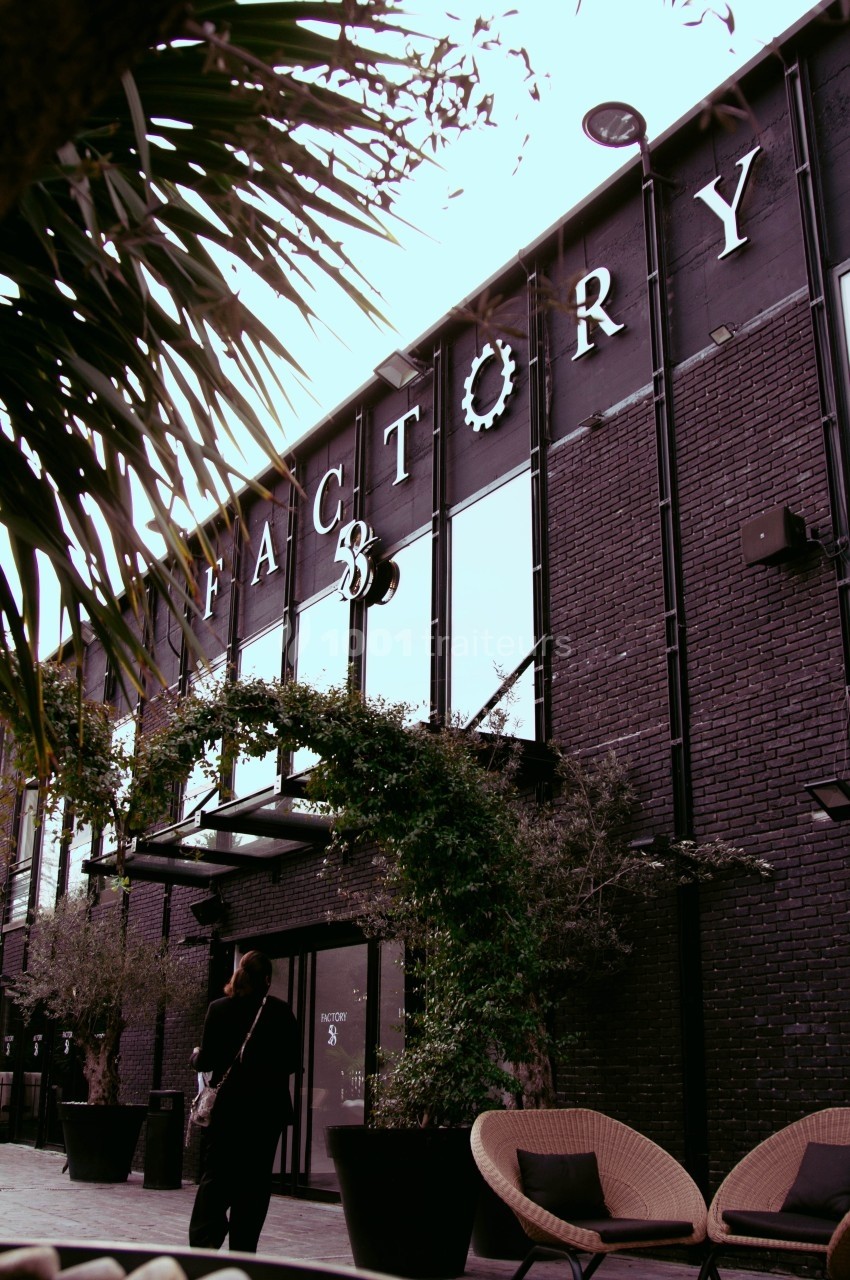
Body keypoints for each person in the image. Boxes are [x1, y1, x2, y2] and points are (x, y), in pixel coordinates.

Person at [188, 950, 300, 1253]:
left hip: (228, 1110)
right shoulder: (281, 1012)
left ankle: (205, 1241)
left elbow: (206, 1061)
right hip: (266, 1113)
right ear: (267, 979)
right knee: (255, 1181)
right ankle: (244, 1249)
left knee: (216, 1175)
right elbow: (292, 1062)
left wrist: (195, 1056)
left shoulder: (219, 1009)